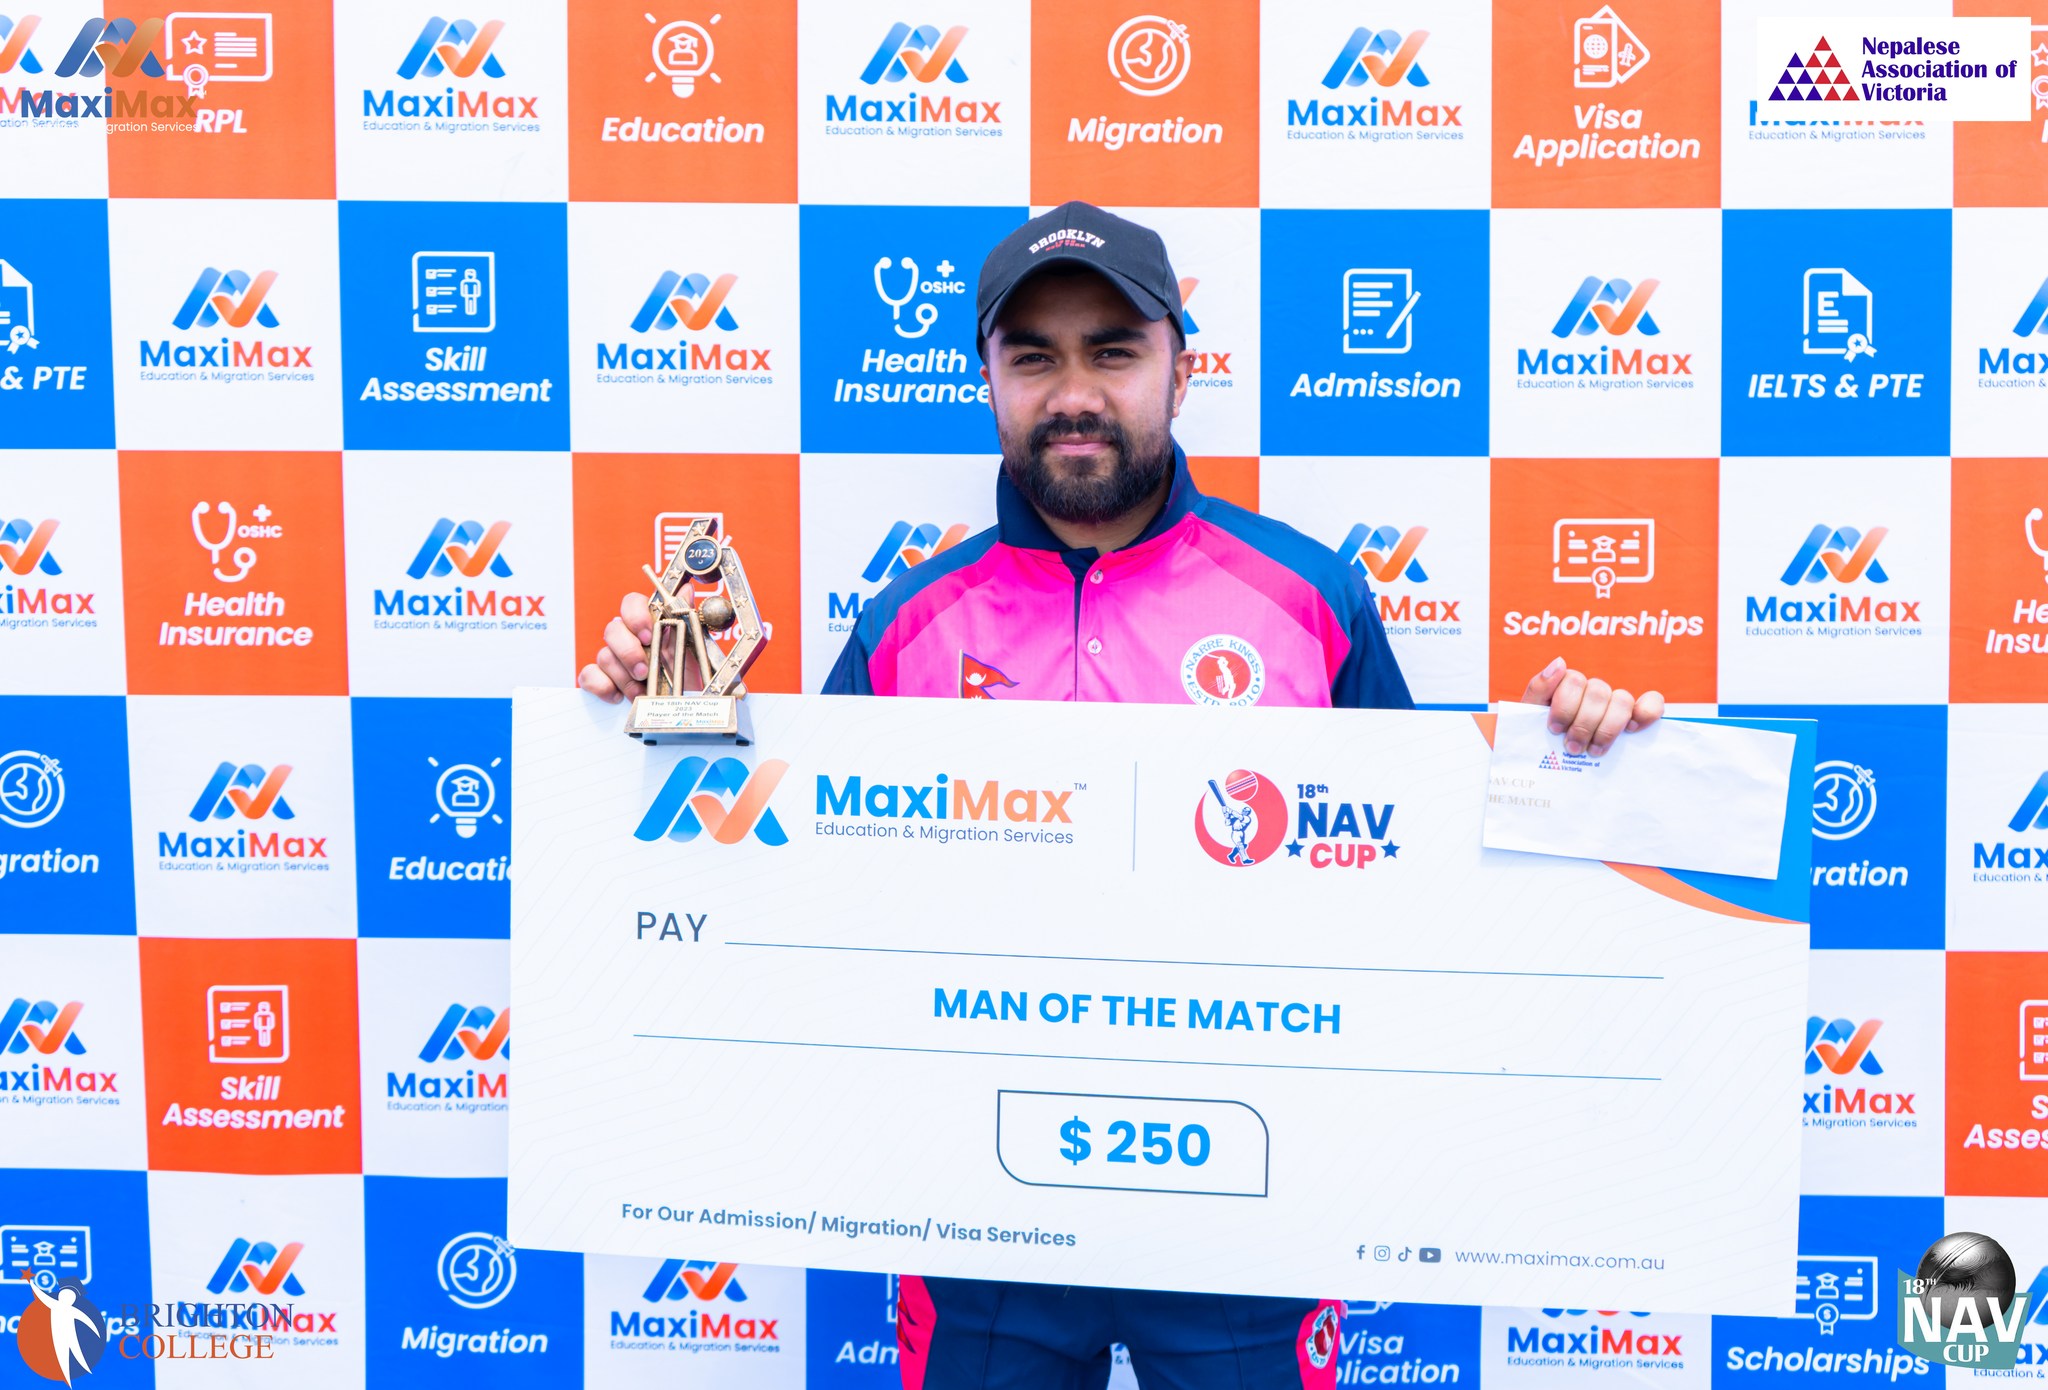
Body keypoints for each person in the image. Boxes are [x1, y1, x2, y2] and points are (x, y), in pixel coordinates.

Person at [581, 201, 1665, 1390]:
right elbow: (787, 890)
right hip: (973, 1211)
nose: (1073, 393)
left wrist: (1574, 760)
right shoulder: (906, 623)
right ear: (985, 381)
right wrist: (663, 720)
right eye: (1032, 357)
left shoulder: (1309, 597)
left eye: (1111, 351)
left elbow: (1422, 884)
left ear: (1180, 371)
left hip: (1249, 1198)